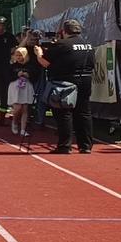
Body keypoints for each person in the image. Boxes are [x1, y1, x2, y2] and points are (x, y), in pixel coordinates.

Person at [44, 18, 96, 154]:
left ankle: (65, 145)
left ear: (64, 31)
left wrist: (38, 53)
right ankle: (85, 145)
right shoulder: (88, 44)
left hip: (66, 81)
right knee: (84, 112)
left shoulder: (62, 44)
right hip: (86, 79)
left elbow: (45, 62)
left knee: (63, 112)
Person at [7, 45, 39, 139]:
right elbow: (8, 77)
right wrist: (17, 75)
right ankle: (14, 122)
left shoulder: (30, 66)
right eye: (17, 55)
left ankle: (23, 129)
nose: (18, 57)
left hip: (26, 87)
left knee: (25, 108)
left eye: (20, 55)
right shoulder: (13, 66)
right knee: (17, 108)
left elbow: (35, 76)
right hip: (15, 87)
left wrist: (28, 75)